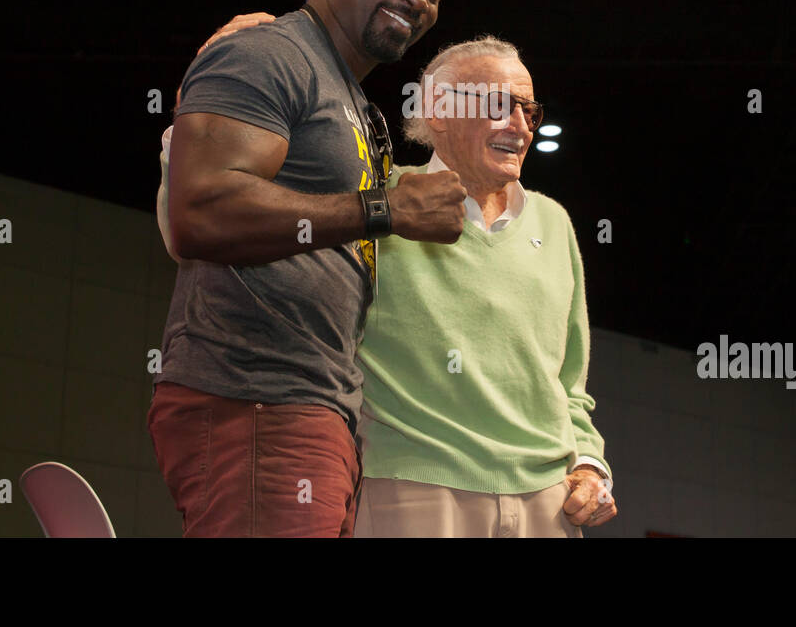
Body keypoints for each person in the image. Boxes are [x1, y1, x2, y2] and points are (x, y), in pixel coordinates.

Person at [158, 27, 618, 536]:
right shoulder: (378, 198)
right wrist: (196, 120)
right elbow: (204, 222)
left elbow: (570, 383)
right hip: (410, 488)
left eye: (529, 111)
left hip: (548, 505)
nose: (520, 126)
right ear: (439, 109)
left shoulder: (554, 223)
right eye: (499, 105)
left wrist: (590, 463)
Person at [147, 0, 466, 538]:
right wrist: (384, 211)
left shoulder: (354, 103)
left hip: (314, 409)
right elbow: (199, 212)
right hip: (255, 393)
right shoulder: (270, 54)